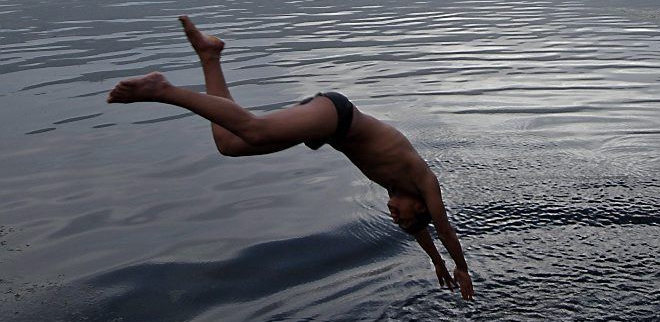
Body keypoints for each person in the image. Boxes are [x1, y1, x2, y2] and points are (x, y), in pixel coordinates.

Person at [106, 16, 474, 300]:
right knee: (255, 129)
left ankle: (210, 55)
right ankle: (162, 90)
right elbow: (441, 228)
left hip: (327, 132)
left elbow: (421, 230)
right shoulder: (424, 182)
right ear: (420, 207)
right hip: (337, 115)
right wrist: (460, 266)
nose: (394, 216)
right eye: (403, 218)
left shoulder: (401, 192)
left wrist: (436, 262)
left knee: (229, 144)